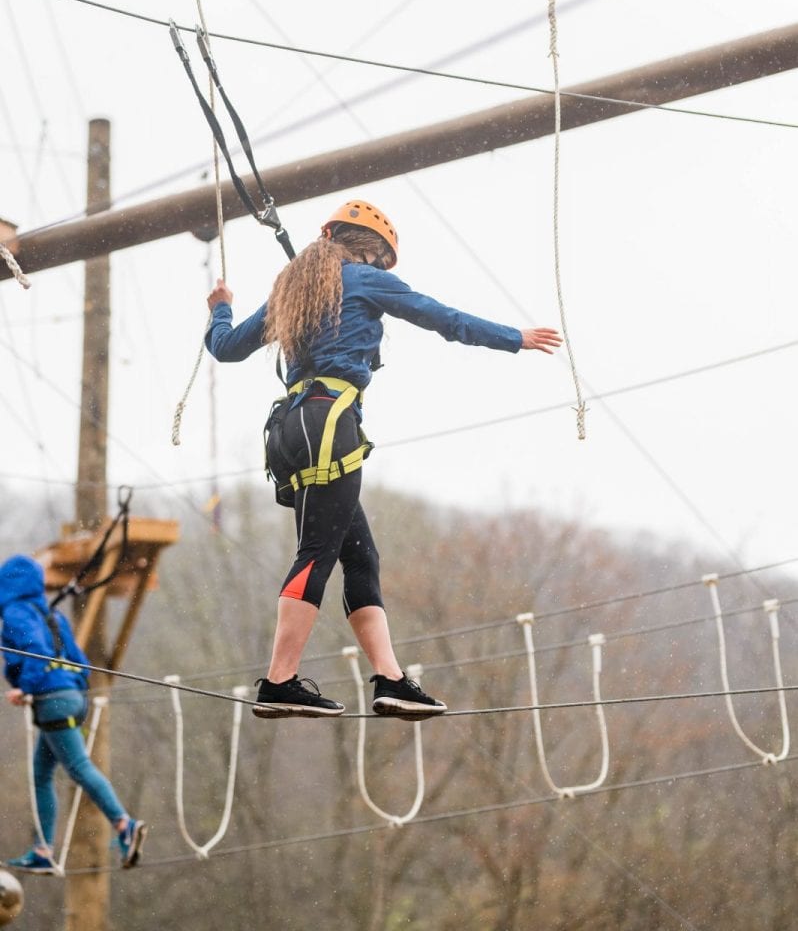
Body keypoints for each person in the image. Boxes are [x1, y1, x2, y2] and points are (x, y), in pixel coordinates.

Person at [205, 199, 562, 720]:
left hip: (291, 429)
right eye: (380, 259)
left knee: (359, 556)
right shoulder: (366, 280)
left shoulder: (291, 289)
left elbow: (227, 346)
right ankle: (279, 680)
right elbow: (445, 318)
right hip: (330, 422)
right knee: (317, 553)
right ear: (370, 252)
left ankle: (390, 680)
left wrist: (219, 306)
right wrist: (516, 339)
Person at [0, 555, 146, 873]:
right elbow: (78, 660)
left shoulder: (15, 612)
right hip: (73, 697)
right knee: (41, 774)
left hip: (52, 699)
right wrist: (71, 691)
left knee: (79, 767)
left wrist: (27, 687)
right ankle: (43, 850)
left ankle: (124, 824)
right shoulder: (50, 615)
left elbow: (34, 652)